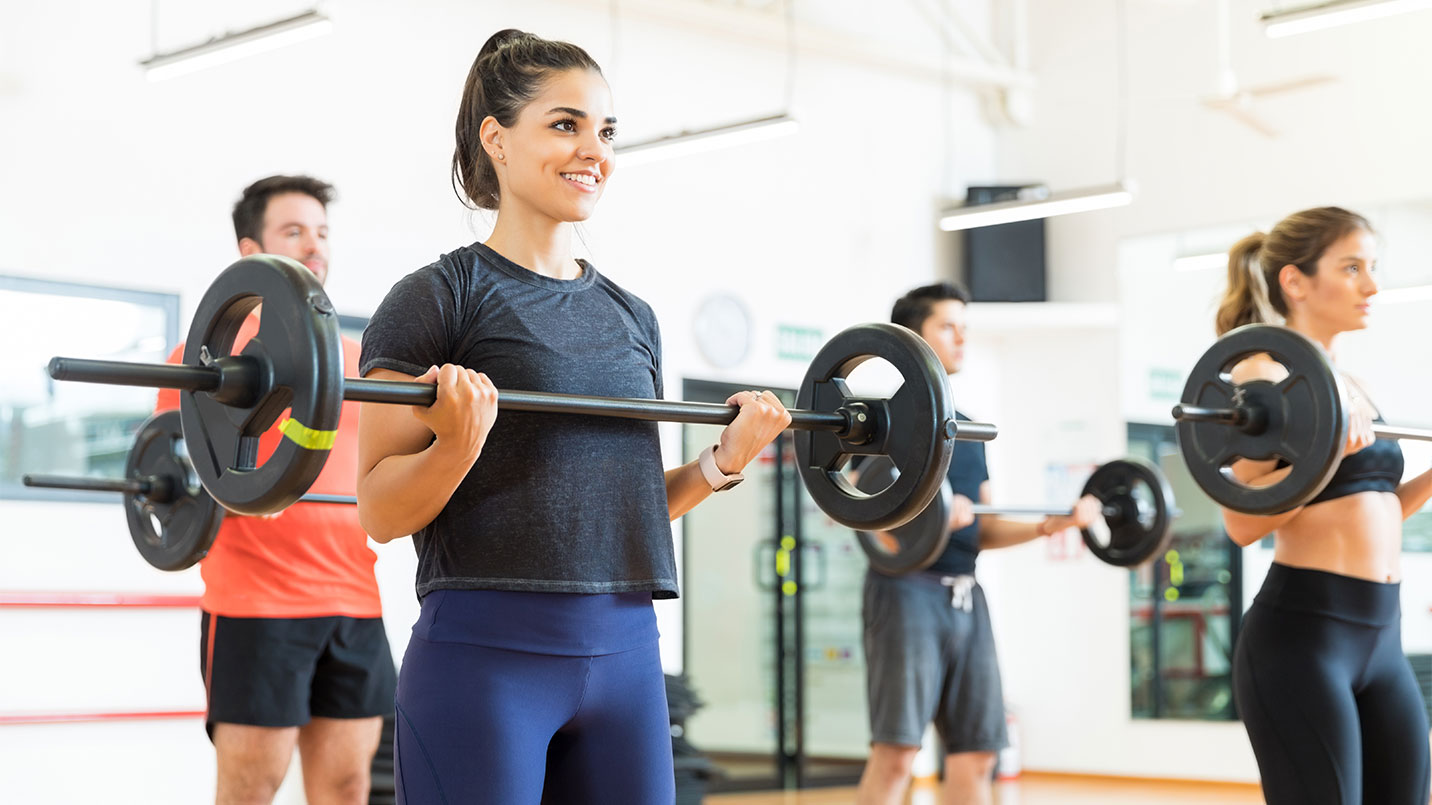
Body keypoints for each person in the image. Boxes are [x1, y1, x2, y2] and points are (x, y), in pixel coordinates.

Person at [354, 30, 790, 804]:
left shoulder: (633, 318)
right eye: (565, 124)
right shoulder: (436, 298)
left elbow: (619, 507)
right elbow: (381, 510)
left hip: (625, 657)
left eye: (606, 130)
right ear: (497, 139)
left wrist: (720, 463)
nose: (595, 150)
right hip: (486, 657)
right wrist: (455, 447)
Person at [156, 175, 396, 805]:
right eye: (293, 232)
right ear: (249, 251)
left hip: (353, 602)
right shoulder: (204, 360)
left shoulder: (360, 361)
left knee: (346, 788)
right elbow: (178, 477)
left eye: (321, 232)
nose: (314, 246)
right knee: (249, 789)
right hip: (256, 604)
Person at [1214, 206, 1432, 805]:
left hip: (1381, 634)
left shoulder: (1353, 384)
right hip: (1304, 638)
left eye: (1373, 268)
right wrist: (1325, 451)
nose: (1372, 287)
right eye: (1353, 268)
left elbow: (1373, 509)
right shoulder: (1266, 374)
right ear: (1295, 281)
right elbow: (1241, 521)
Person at [855, 282, 1100, 805]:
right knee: (898, 753)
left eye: (965, 328)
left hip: (966, 595)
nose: (961, 339)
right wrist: (934, 519)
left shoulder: (966, 429)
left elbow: (983, 526)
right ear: (910, 337)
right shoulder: (879, 422)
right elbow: (865, 518)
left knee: (978, 752)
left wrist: (1048, 525)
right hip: (906, 593)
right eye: (948, 326)